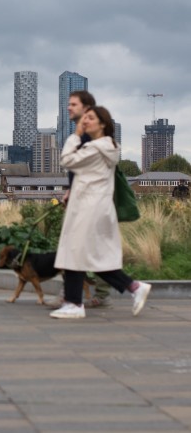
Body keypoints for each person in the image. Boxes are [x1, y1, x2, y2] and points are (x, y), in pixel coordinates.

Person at [50, 106, 151, 319]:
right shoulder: (107, 147)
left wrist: (75, 136)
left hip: (89, 207)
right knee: (88, 255)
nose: (85, 121)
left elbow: (67, 160)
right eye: (84, 118)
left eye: (90, 118)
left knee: (76, 252)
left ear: (102, 124)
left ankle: (75, 304)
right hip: (95, 206)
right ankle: (132, 287)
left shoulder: (96, 148)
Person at [56, 90, 113, 309]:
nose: (68, 107)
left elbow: (76, 163)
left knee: (84, 247)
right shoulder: (84, 131)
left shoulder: (90, 134)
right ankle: (73, 294)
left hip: (91, 201)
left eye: (73, 104)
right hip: (84, 197)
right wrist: (71, 189)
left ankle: (74, 296)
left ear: (86, 107)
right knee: (83, 247)